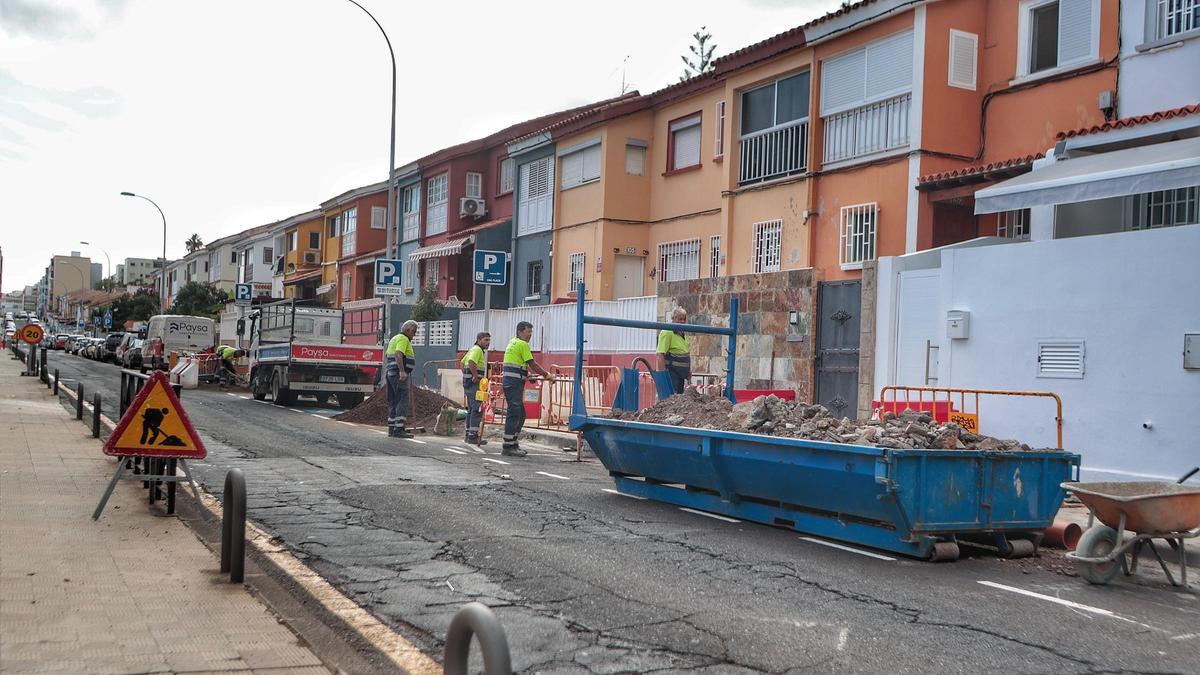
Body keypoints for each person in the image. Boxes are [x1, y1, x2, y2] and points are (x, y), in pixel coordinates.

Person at [501, 321, 555, 457]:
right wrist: (547, 375)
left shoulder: (512, 342)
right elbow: (532, 363)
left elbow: (517, 363)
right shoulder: (523, 344)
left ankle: (512, 442)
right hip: (514, 383)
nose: (530, 335)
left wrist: (528, 374)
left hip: (511, 382)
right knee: (514, 413)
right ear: (520, 332)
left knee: (520, 413)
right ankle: (508, 445)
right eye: (528, 332)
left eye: (531, 332)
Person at [385, 320, 418, 439]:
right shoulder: (403, 339)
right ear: (408, 330)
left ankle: (392, 428)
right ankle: (399, 429)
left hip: (391, 373)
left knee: (393, 400)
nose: (413, 336)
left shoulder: (394, 338)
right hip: (398, 375)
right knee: (402, 400)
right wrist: (402, 371)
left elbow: (389, 356)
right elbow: (398, 354)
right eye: (413, 332)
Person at [460, 331, 491, 446]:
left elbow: (462, 363)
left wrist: (466, 376)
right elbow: (471, 362)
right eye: (485, 340)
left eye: (489, 340)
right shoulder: (477, 350)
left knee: (472, 409)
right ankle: (473, 436)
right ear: (479, 340)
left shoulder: (473, 349)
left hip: (469, 384)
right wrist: (474, 376)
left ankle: (469, 435)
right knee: (477, 408)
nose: (488, 343)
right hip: (474, 384)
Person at [656, 307, 691, 395]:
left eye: (684, 319)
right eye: (680, 319)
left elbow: (684, 353)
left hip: (681, 374)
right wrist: (663, 377)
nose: (682, 321)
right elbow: (660, 354)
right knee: (670, 399)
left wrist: (688, 371)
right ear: (673, 319)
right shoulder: (667, 332)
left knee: (678, 401)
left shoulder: (682, 333)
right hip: (671, 374)